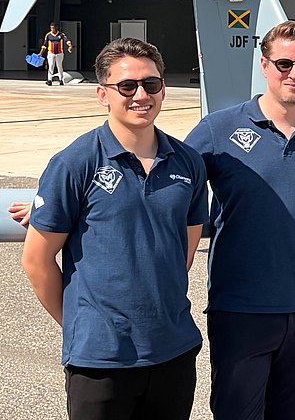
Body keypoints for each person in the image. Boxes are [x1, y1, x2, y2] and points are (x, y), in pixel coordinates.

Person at [18, 37, 208, 420]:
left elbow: (182, 253)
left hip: (172, 350)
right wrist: (84, 322)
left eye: (151, 84)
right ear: (103, 94)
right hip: (100, 360)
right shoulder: (75, 163)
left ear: (163, 89)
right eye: (127, 86)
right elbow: (36, 261)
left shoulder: (187, 162)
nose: (141, 95)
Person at [184, 20, 295, 420]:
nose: (294, 73)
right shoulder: (219, 129)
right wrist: (76, 199)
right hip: (243, 310)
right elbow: (161, 176)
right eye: (283, 64)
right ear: (264, 65)